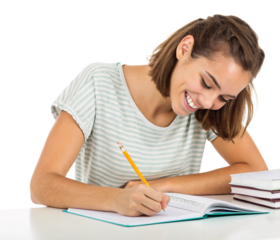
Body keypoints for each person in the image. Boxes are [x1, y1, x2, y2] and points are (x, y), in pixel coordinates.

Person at [29, 12, 267, 217]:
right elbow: (41, 185)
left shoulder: (208, 112)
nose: (207, 101)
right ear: (185, 48)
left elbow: (256, 172)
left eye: (223, 98)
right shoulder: (98, 82)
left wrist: (164, 186)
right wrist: (116, 200)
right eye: (206, 82)